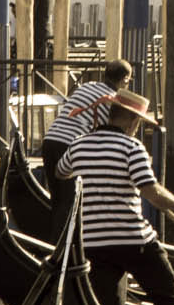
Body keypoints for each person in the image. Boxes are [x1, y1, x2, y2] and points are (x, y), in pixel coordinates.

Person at [56, 89, 174, 305]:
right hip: (135, 242)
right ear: (133, 121)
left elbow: (62, 172)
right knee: (173, 303)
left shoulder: (78, 145)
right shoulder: (132, 148)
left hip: (94, 245)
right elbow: (152, 193)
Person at [40, 59, 133, 220]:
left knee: (57, 201)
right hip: (71, 146)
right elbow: (113, 134)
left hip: (50, 141)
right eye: (129, 80)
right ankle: (65, 243)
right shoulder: (114, 102)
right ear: (125, 78)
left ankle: (57, 242)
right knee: (70, 203)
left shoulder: (86, 86)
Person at [30, 0, 54, 83]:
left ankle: (35, 93)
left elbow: (32, 11)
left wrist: (17, 13)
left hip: (37, 33)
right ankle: (40, 93)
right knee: (41, 67)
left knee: (35, 66)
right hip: (46, 31)